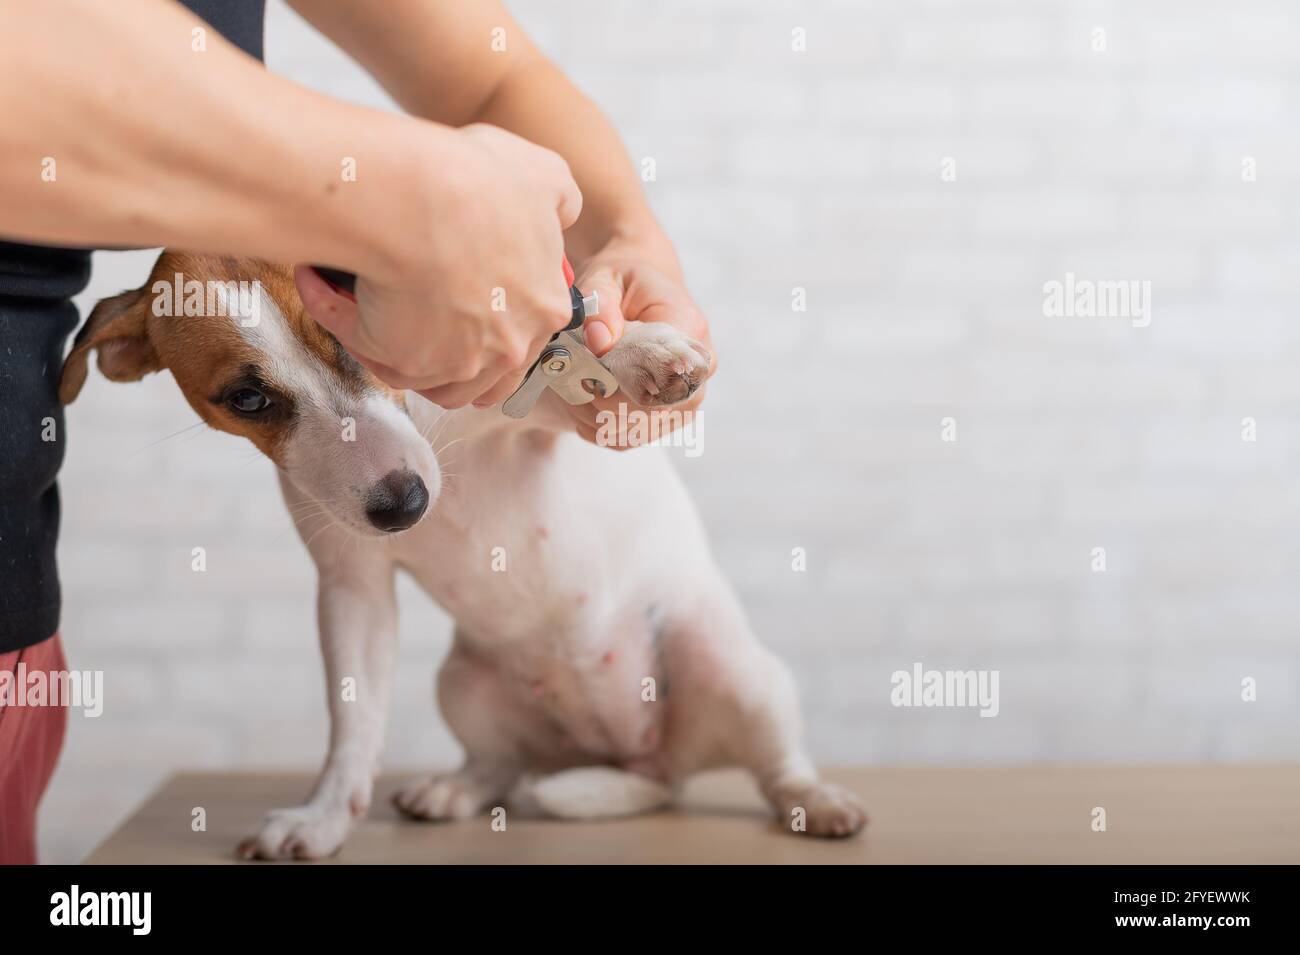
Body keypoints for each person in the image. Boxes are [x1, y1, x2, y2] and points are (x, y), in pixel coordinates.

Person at [0, 0, 713, 864]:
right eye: (254, 401)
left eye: (341, 340)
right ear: (116, 358)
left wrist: (634, 241)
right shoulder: (173, 315)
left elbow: (489, 70)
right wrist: (390, 191)